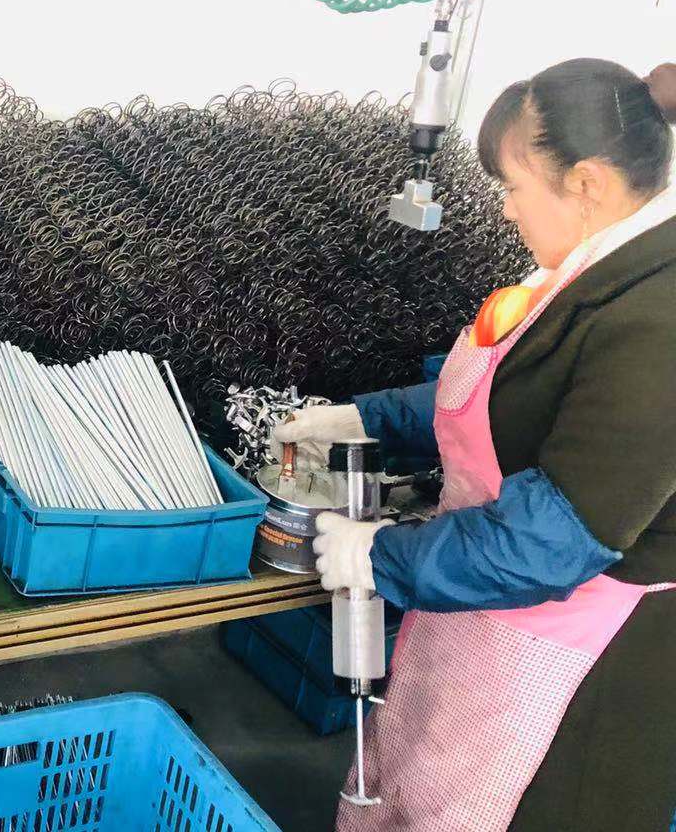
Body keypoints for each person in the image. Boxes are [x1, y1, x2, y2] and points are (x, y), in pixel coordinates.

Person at [275, 58, 676, 831]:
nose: (505, 208)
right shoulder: (595, 271)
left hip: (570, 659)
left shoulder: (659, 321)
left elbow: (551, 543)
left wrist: (380, 554)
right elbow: (508, 396)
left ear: (587, 184)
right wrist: (364, 419)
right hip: (486, 615)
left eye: (514, 186)